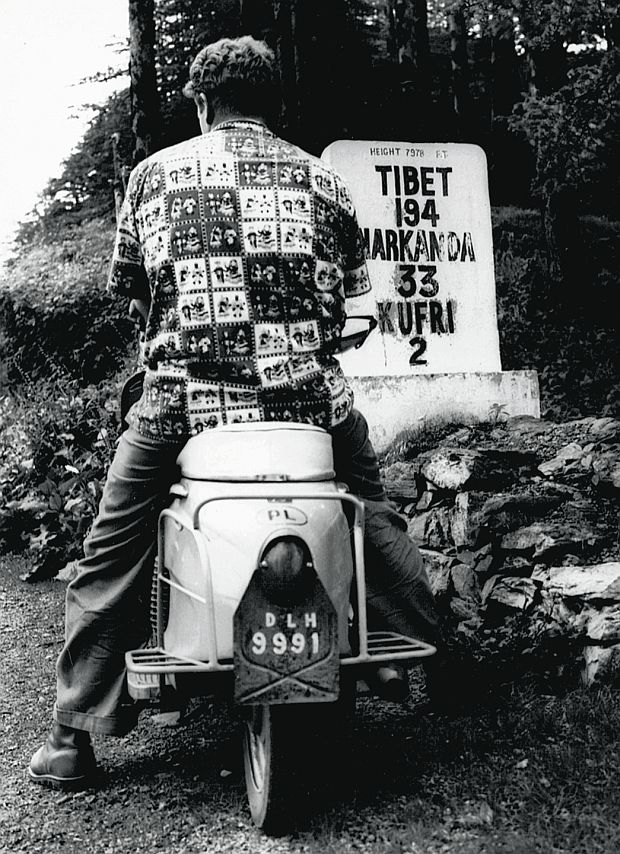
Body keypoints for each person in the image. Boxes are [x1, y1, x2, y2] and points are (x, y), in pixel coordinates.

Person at [29, 36, 442, 789]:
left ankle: (71, 736)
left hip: (180, 407)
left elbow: (135, 295)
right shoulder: (325, 182)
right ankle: (411, 656)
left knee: (112, 552)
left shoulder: (153, 178)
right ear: (272, 103)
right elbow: (352, 305)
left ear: (201, 102)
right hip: (308, 407)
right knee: (372, 511)